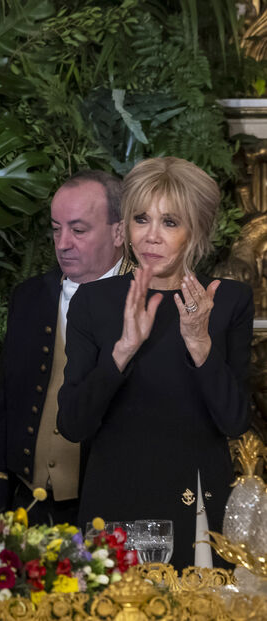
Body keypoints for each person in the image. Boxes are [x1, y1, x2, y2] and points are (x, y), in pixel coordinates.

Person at [57, 157, 253, 569]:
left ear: (195, 231)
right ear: (126, 227)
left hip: (197, 511)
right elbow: (72, 424)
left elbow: (235, 421)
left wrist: (199, 341)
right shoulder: (93, 302)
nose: (151, 236)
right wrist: (122, 351)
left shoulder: (228, 301)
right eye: (141, 219)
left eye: (170, 222)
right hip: (114, 507)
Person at [0, 171, 127, 525]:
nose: (62, 243)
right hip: (27, 508)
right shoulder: (30, 297)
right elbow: (6, 403)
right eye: (56, 228)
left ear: (119, 232)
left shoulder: (144, 304)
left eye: (78, 230)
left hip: (108, 511)